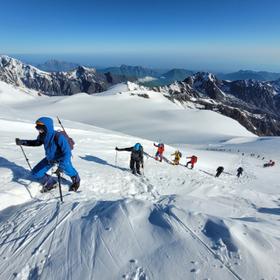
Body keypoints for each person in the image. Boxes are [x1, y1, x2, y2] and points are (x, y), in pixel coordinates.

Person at [15, 117, 80, 192]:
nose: (39, 130)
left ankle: (76, 181)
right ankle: (51, 184)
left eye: (40, 128)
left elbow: (67, 153)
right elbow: (37, 142)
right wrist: (23, 142)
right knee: (35, 173)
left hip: (62, 159)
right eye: (37, 128)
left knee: (70, 171)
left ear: (47, 127)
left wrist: (61, 167)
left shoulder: (58, 137)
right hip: (50, 159)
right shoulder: (43, 135)